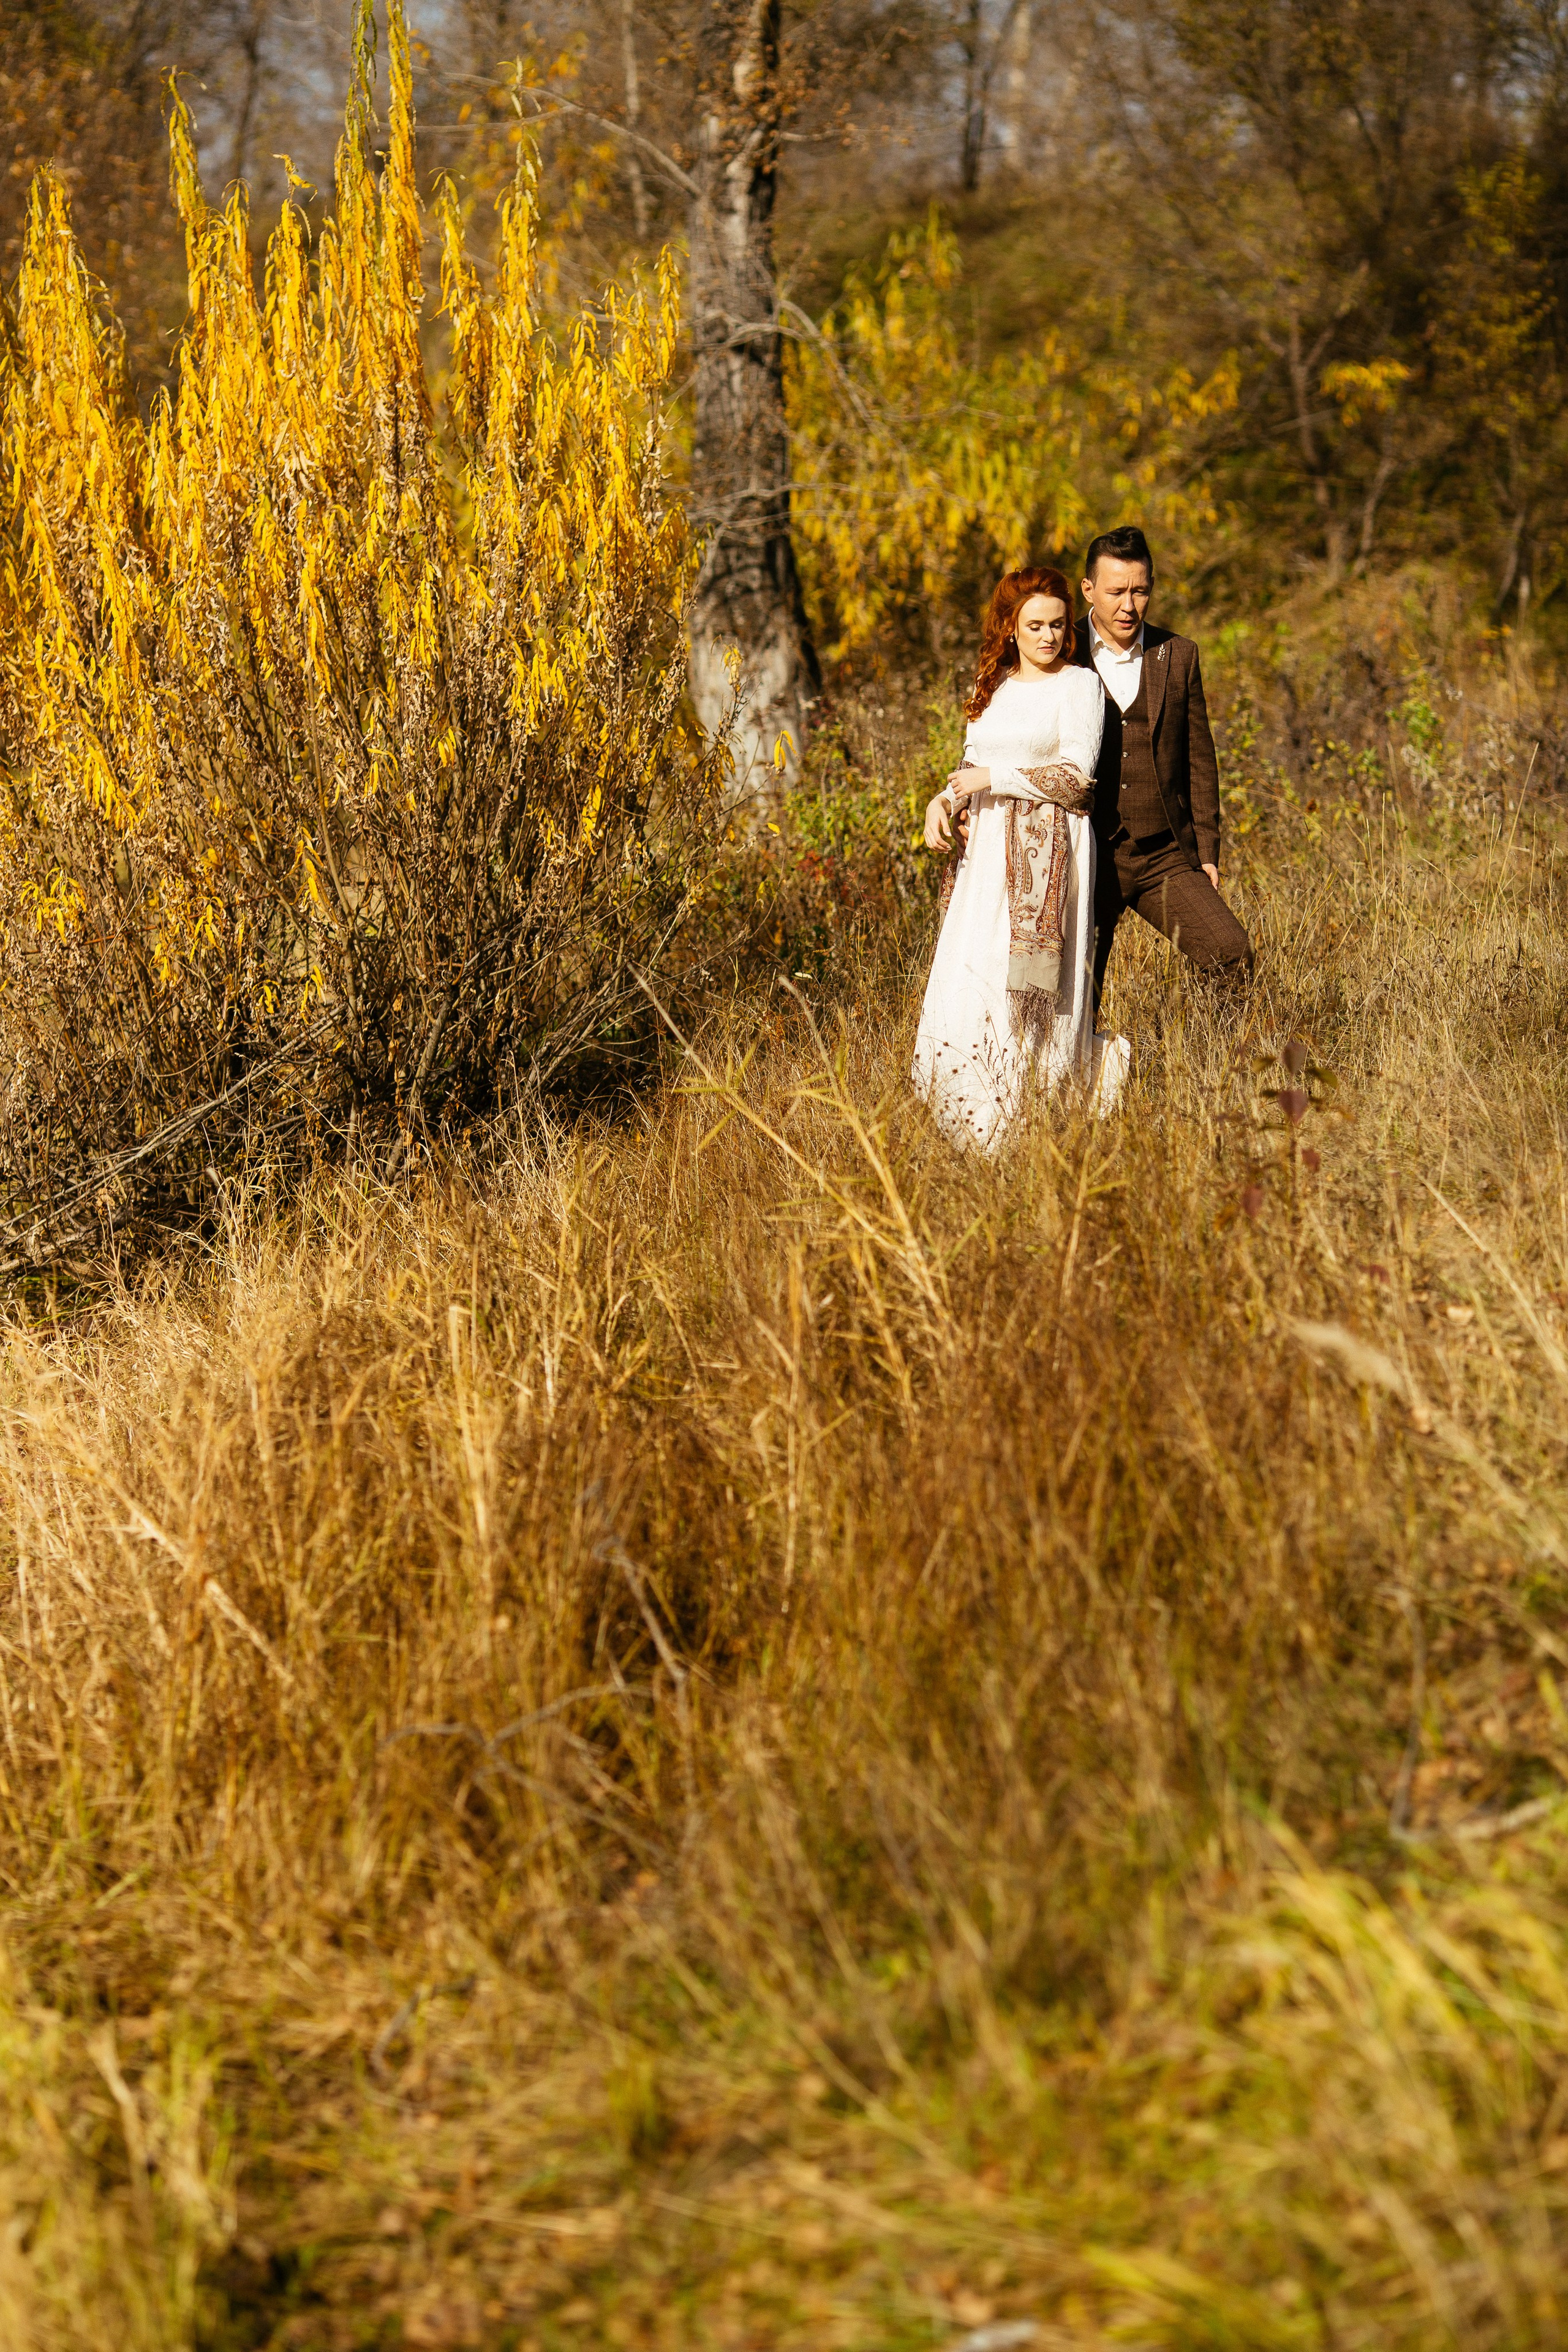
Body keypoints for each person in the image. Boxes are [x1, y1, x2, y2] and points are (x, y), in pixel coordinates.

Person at [912, 567, 1117, 1150]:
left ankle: (1034, 1133)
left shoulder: (1080, 687)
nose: (1049, 636)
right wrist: (943, 800)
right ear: (1010, 628)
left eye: (1057, 625)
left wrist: (991, 778)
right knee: (973, 983)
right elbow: (968, 770)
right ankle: (972, 1132)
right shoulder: (992, 687)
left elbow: (1077, 779)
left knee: (1035, 1000)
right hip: (985, 864)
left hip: (1048, 855)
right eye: (1035, 625)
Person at [1073, 524, 1252, 1008]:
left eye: (1140, 591)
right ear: (1089, 589)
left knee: (1230, 952)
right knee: (1077, 986)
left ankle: (1212, 1070)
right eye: (1115, 592)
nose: (1128, 606)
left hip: (1163, 855)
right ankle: (1074, 1080)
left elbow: (1199, 758)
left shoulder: (1179, 655)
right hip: (1086, 854)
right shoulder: (1060, 653)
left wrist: (1208, 851)